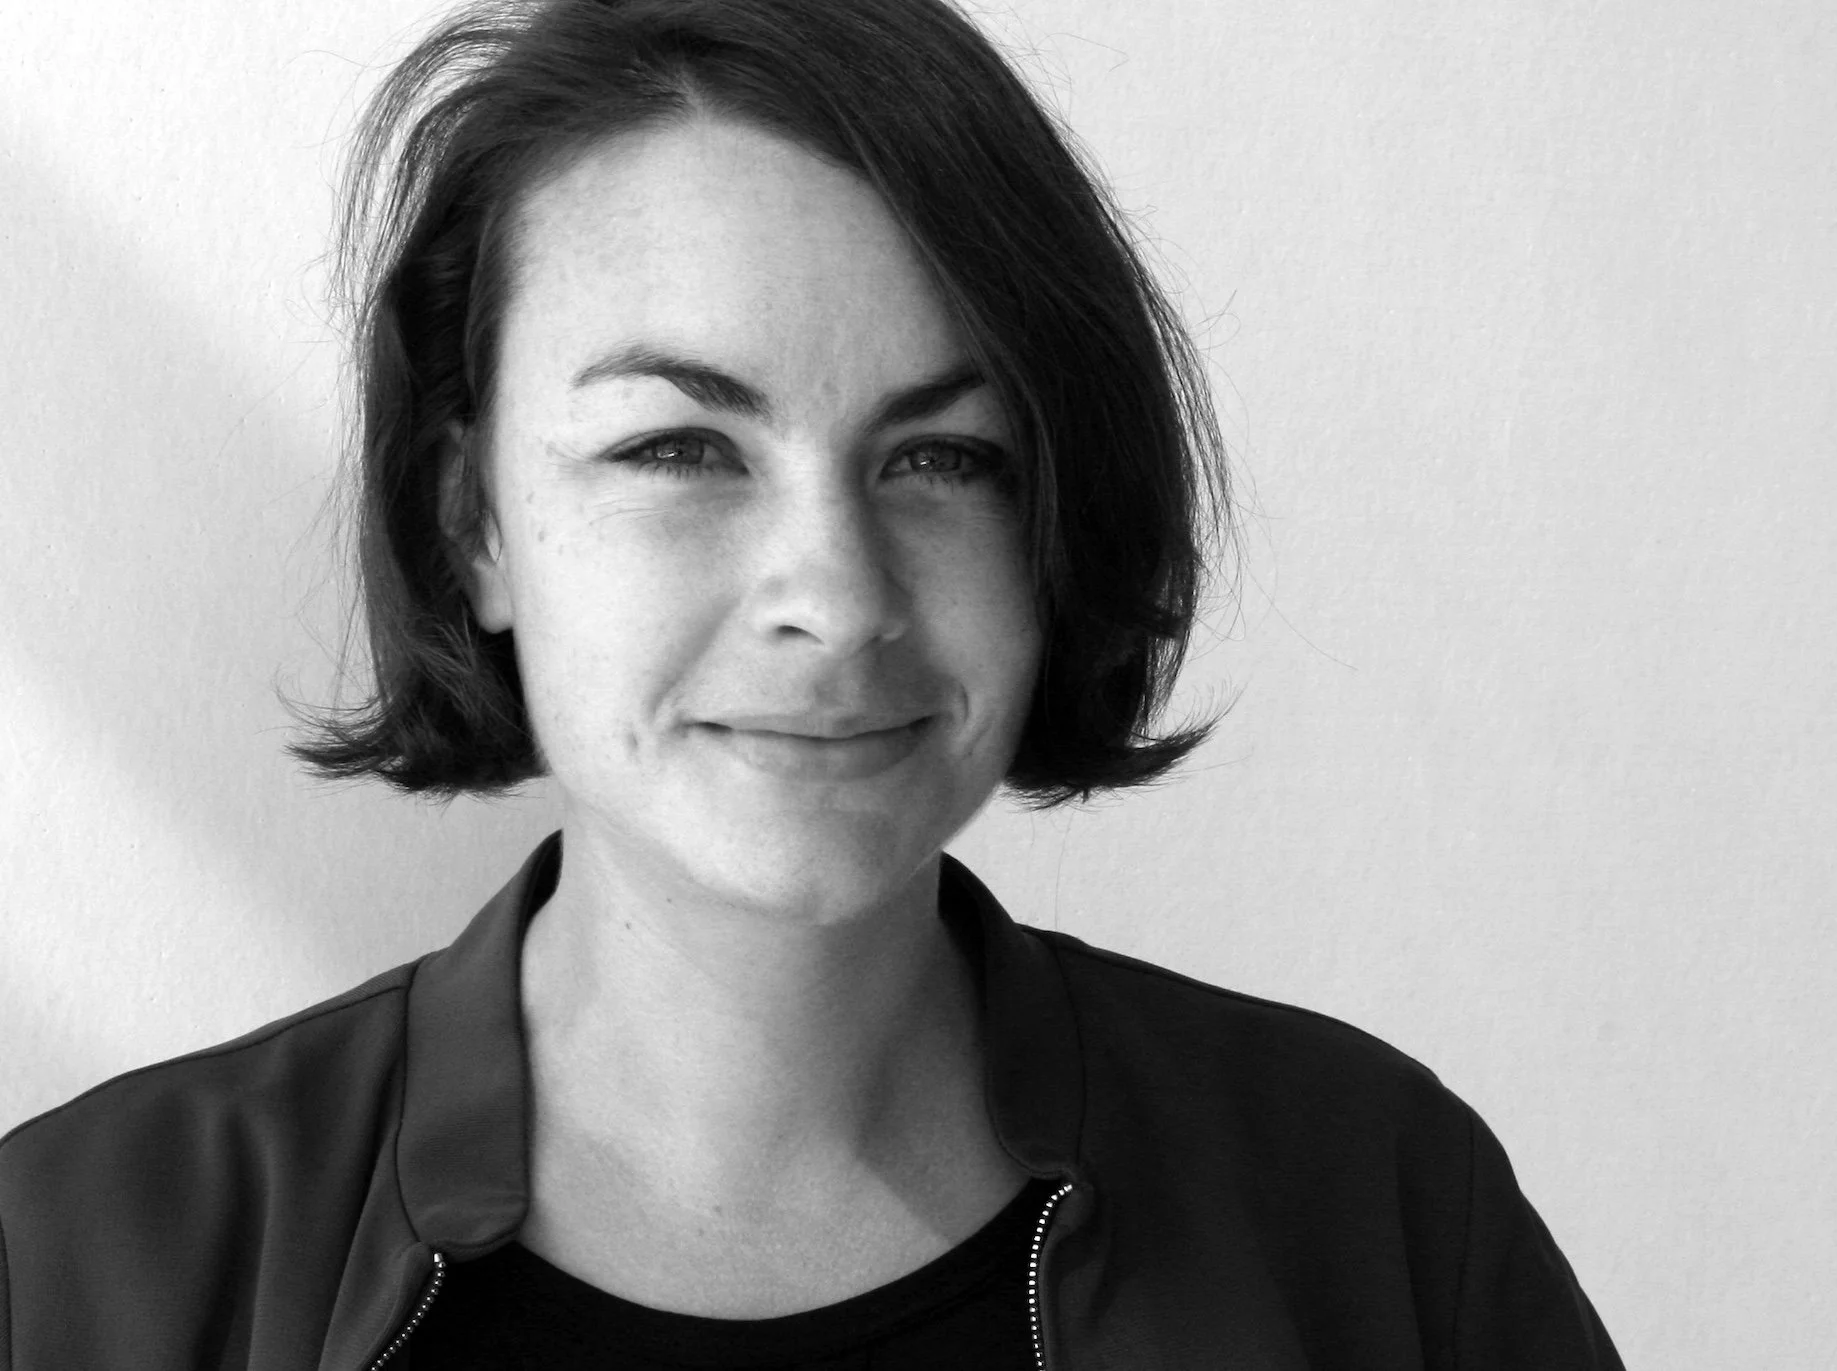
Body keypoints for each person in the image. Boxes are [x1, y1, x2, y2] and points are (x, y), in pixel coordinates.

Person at [0, 0, 1624, 1366]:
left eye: (943, 455)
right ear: (473, 523)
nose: (837, 596)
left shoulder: (1372, 1207)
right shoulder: (80, 1265)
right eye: (680, 446)